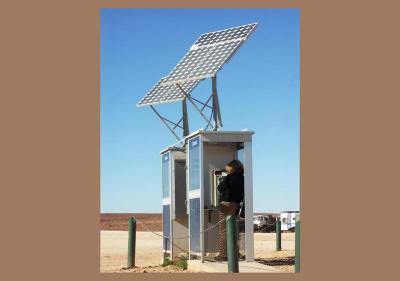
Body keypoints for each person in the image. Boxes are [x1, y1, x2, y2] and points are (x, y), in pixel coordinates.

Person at [215, 160, 244, 261]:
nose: (226, 169)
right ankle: (234, 253)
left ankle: (223, 255)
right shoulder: (242, 178)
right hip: (236, 205)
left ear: (232, 168)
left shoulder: (229, 177)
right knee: (233, 230)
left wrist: (223, 179)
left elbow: (220, 188)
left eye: (227, 168)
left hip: (226, 205)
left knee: (223, 230)